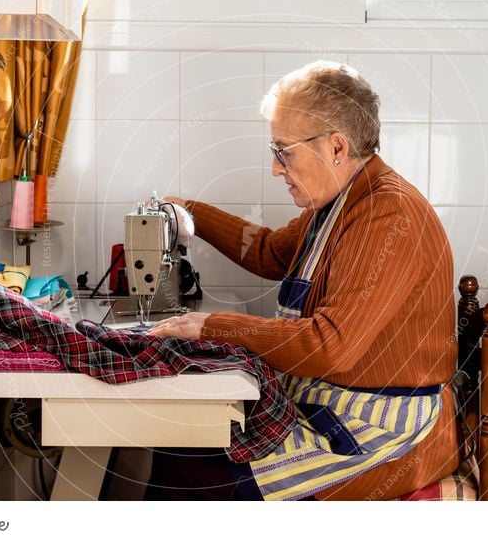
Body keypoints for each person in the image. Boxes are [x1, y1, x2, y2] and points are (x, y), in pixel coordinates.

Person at [146, 61, 460, 501]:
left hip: (383, 431)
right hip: (333, 405)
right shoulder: (338, 204)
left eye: (283, 151)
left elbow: (331, 346)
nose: (276, 168)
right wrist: (188, 211)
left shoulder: (389, 215)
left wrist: (211, 325)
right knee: (177, 447)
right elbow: (270, 251)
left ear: (336, 147)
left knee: (194, 473)